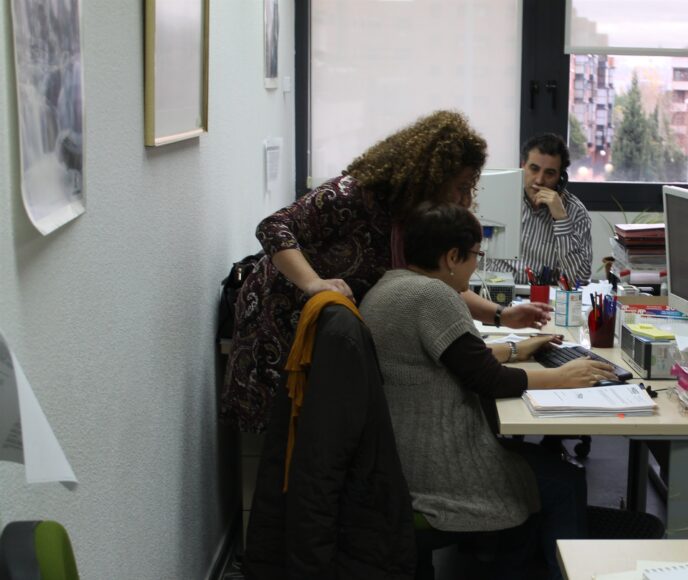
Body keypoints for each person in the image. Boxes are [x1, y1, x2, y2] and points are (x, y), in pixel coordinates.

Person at [222, 110, 552, 433]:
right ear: (432, 177)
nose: (466, 200)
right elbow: (273, 227)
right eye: (461, 187)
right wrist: (314, 283)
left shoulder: (410, 219)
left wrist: (501, 315)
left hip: (328, 334)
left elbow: (433, 280)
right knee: (279, 442)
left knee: (313, 444)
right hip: (280, 319)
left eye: (471, 189)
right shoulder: (351, 195)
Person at [360, 204, 615, 579]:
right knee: (565, 481)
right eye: (476, 255)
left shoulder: (391, 286)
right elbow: (490, 380)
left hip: (401, 459)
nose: (476, 265)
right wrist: (564, 375)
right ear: (452, 257)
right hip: (435, 472)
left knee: (540, 472)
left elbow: (456, 356)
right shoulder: (434, 296)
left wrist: (516, 349)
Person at [486, 133, 593, 284]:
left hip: (544, 296)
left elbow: (580, 278)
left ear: (561, 177)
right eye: (534, 169)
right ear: (523, 166)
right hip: (498, 292)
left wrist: (561, 219)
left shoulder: (576, 212)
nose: (539, 180)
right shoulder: (498, 198)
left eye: (550, 173)